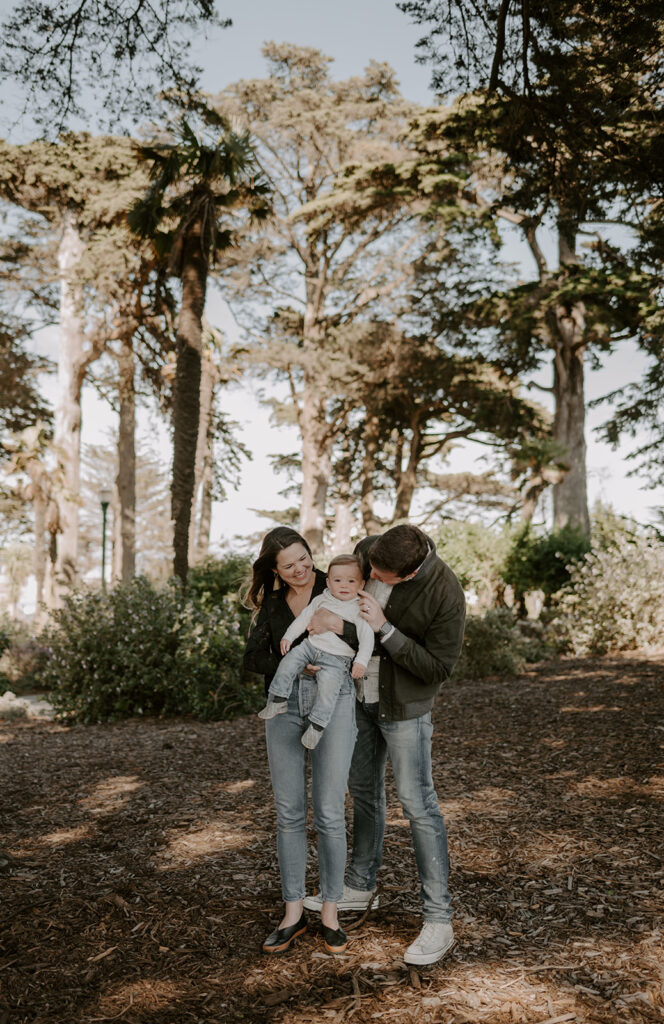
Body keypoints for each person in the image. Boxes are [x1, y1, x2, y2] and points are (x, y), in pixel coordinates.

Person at [303, 524, 466, 966]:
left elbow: (438, 668)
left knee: (418, 804)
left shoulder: (445, 591)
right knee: (364, 793)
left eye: (380, 573)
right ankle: (360, 886)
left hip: (406, 709)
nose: (369, 573)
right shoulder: (371, 553)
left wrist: (387, 630)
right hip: (357, 699)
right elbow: (341, 611)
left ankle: (438, 918)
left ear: (408, 573)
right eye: (369, 564)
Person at [243, 527, 358, 956]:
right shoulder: (271, 604)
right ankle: (292, 913)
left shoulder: (339, 585)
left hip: (335, 702)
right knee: (290, 812)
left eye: (304, 559)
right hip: (285, 705)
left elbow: (370, 639)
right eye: (288, 565)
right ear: (274, 570)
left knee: (329, 812)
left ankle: (330, 912)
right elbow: (252, 658)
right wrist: (292, 661)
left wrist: (337, 629)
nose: (300, 569)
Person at [257, 554, 375, 749]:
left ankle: (317, 726)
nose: (344, 585)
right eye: (338, 580)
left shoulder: (359, 608)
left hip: (337, 659)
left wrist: (361, 662)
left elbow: (367, 637)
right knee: (289, 662)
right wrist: (289, 636)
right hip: (310, 647)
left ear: (361, 584)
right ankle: (278, 699)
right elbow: (304, 619)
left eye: (351, 581)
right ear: (328, 582)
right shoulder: (321, 600)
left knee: (328, 691)